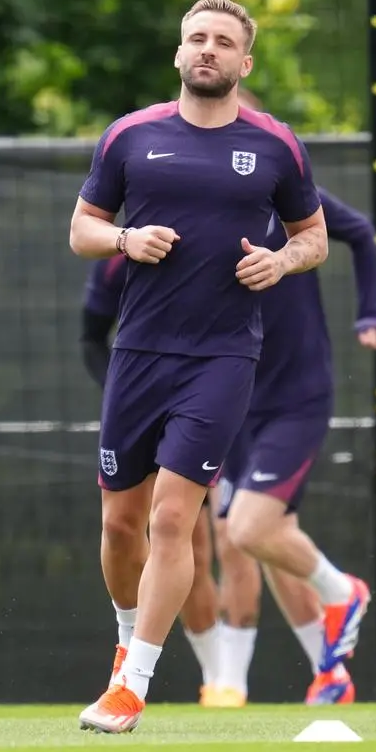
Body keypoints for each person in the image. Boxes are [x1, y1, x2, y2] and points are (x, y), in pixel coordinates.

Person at [68, 0, 332, 734]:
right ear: (178, 54)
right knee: (121, 524)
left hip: (221, 357)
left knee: (175, 517)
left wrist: (280, 261)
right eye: (196, 38)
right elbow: (82, 228)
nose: (207, 49)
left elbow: (313, 238)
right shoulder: (128, 137)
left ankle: (133, 687)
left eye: (222, 41)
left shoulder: (276, 144)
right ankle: (126, 646)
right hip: (138, 353)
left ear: (244, 62)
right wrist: (124, 240)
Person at [205, 89, 376, 708]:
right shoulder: (183, 190)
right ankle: (330, 672)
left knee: (251, 528)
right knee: (265, 535)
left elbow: (360, 233)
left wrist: (371, 313)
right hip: (228, 395)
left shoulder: (282, 182)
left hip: (294, 393)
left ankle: (345, 593)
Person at [80, 256, 225, 706]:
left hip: (201, 398)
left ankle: (219, 679)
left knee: (186, 535)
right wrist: (124, 394)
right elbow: (91, 336)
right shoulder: (118, 258)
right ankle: (127, 646)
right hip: (135, 395)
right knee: (123, 528)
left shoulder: (222, 238)